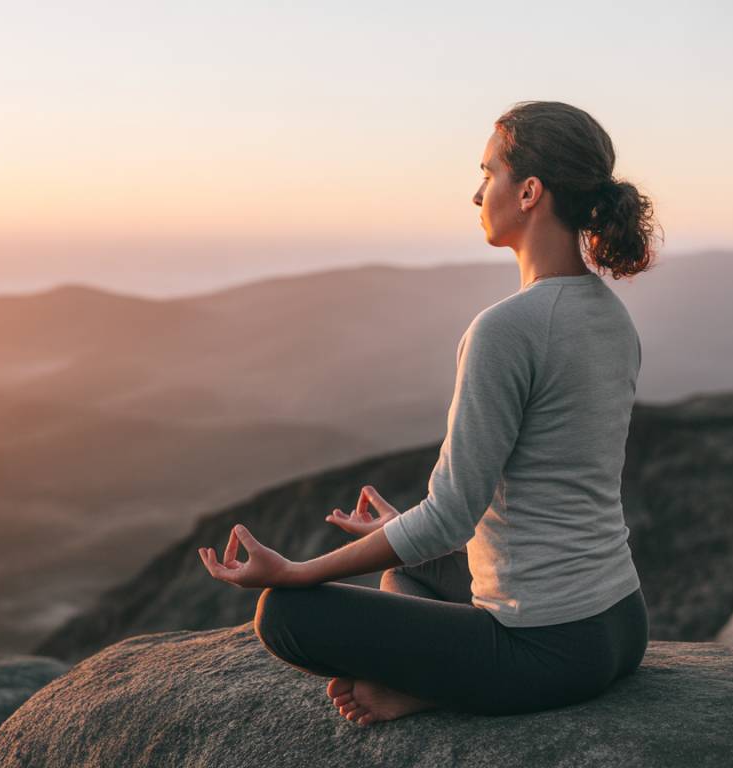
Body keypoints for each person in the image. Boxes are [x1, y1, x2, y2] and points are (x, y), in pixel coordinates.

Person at [198, 100, 662, 725]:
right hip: (618, 625)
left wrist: (297, 571)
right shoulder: (612, 317)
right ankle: (438, 682)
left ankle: (443, 689)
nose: (478, 194)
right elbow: (553, 484)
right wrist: (399, 538)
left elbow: (447, 519)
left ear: (528, 192)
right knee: (410, 572)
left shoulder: (507, 329)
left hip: (545, 647)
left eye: (489, 173)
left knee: (284, 615)